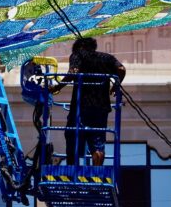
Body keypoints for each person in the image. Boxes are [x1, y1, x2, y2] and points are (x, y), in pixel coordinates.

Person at [53, 37, 126, 166]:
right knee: (97, 141)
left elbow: (73, 72)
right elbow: (121, 69)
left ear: (79, 47)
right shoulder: (106, 58)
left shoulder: (77, 55)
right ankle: (96, 170)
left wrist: (57, 87)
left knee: (72, 136)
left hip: (81, 106)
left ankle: (72, 169)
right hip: (101, 107)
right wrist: (116, 86)